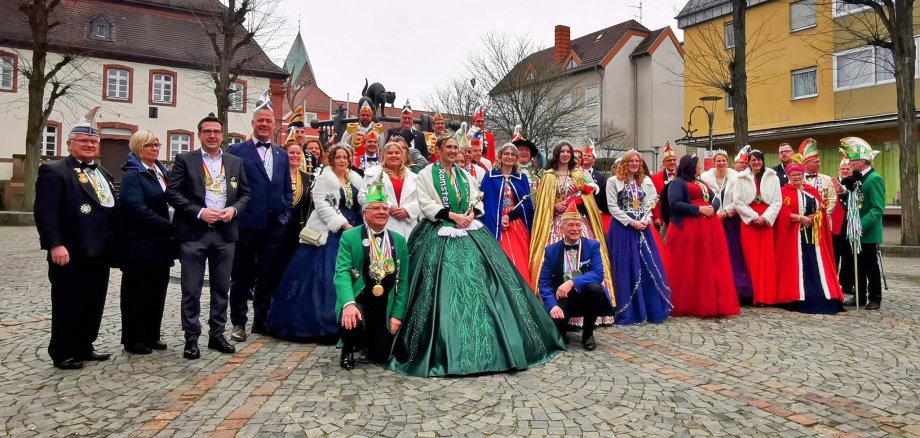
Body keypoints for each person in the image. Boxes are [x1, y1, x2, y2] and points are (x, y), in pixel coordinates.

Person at [386, 133, 564, 377]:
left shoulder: (463, 174)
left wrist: (470, 213)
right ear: (438, 149)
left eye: (454, 147)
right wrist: (452, 216)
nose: (452, 151)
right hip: (439, 230)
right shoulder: (426, 174)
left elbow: (476, 198)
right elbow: (425, 203)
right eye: (447, 147)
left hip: (468, 229)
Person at [34, 110, 118, 369]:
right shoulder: (54, 171)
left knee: (93, 301)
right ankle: (62, 351)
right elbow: (45, 212)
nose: (90, 145)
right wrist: (55, 244)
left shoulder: (103, 173)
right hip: (70, 250)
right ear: (69, 144)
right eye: (83, 141)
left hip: (99, 251)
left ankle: (84, 345)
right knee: (68, 301)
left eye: (93, 142)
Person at [167, 113, 250, 360]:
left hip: (225, 234)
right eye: (207, 132)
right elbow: (172, 192)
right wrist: (199, 212)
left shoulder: (234, 162)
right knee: (191, 289)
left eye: (216, 131)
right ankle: (191, 338)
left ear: (222, 135)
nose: (212, 136)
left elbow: (245, 194)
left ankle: (217, 334)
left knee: (221, 288)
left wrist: (233, 210)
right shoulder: (185, 160)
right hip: (195, 233)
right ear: (200, 134)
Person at [269, 143, 367, 340]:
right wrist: (341, 224)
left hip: (355, 230)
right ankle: (326, 323)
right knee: (327, 275)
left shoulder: (356, 180)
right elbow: (321, 205)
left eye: (345, 157)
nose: (342, 161)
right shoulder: (324, 179)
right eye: (338, 157)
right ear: (331, 159)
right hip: (331, 231)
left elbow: (361, 203)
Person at [227, 96, 293, 342]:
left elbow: (287, 188)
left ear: (274, 125)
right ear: (253, 123)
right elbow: (229, 187)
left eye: (269, 121)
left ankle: (261, 320)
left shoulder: (281, 154)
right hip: (246, 224)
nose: (264, 124)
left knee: (267, 275)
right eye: (260, 120)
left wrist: (285, 213)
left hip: (274, 225)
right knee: (242, 275)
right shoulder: (236, 151)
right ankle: (238, 322)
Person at [335, 184, 409, 370]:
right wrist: (348, 304)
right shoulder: (350, 237)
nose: (382, 212)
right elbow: (342, 272)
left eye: (385, 208)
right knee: (353, 320)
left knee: (381, 355)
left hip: (384, 303)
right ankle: (349, 348)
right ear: (365, 212)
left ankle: (369, 339)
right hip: (359, 297)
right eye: (376, 208)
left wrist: (397, 315)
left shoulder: (398, 241)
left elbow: (403, 280)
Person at [119, 130, 178, 355]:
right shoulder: (133, 174)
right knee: (136, 293)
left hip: (160, 244)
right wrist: (167, 225)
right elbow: (136, 208)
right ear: (137, 148)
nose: (155, 148)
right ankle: (134, 339)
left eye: (156, 144)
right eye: (149, 145)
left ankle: (152, 334)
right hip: (140, 244)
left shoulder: (161, 171)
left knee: (157, 291)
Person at [529, 141, 613, 299]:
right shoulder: (548, 176)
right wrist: (553, 205)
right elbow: (542, 203)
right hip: (556, 223)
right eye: (562, 151)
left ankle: (591, 300)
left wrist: (576, 201)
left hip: (577, 221)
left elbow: (587, 198)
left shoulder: (578, 174)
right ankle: (554, 297)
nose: (565, 154)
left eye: (568, 151)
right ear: (557, 154)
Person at [664, 155, 739, 317]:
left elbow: (715, 199)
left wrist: (712, 207)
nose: (700, 168)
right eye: (697, 165)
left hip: (707, 228)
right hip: (688, 229)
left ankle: (711, 300)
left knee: (706, 265)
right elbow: (675, 205)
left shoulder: (701, 183)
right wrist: (698, 210)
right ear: (690, 166)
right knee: (689, 265)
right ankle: (686, 302)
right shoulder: (677, 183)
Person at [605, 150, 671, 325]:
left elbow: (650, 202)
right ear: (625, 163)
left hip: (642, 227)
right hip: (622, 228)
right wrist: (631, 222)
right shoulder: (613, 182)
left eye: (637, 161)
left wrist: (646, 219)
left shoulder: (645, 181)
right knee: (626, 266)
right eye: (631, 161)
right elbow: (612, 206)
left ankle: (648, 307)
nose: (635, 164)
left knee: (647, 265)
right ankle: (629, 309)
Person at [539, 203, 615, 349]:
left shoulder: (593, 245)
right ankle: (562, 330)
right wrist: (552, 305)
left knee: (595, 289)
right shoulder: (551, 250)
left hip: (585, 295)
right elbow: (544, 282)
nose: (575, 229)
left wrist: (572, 282)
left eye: (578, 225)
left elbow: (598, 274)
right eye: (571, 225)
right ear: (561, 229)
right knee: (557, 338)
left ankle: (588, 335)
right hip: (562, 297)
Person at [775, 160, 845, 314]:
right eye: (793, 175)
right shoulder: (783, 192)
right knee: (798, 265)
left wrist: (815, 217)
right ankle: (796, 294)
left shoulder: (812, 191)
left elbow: (822, 209)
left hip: (813, 234)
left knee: (816, 264)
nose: (796, 177)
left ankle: (821, 292)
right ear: (788, 176)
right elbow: (781, 213)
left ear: (803, 175)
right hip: (794, 236)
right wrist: (800, 219)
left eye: (799, 174)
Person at [701, 148, 753, 303]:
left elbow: (738, 199)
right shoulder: (705, 178)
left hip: (730, 220)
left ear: (727, 162)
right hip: (711, 218)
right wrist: (712, 213)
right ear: (714, 162)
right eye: (718, 161)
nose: (721, 163)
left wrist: (726, 213)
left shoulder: (736, 178)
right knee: (712, 252)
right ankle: (713, 286)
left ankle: (735, 287)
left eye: (723, 160)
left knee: (732, 252)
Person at [839, 137, 885, 310]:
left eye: (853, 161)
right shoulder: (857, 178)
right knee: (856, 265)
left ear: (863, 162)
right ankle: (859, 296)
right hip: (855, 230)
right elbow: (854, 201)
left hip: (867, 231)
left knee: (870, 266)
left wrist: (860, 225)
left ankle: (875, 297)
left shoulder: (874, 178)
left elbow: (877, 208)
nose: (850, 164)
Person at [480, 142, 535, 283]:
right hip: (494, 223)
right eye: (506, 154)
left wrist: (508, 216)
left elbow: (526, 204)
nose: (509, 157)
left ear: (516, 158)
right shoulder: (489, 176)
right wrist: (497, 219)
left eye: (512, 154)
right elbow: (485, 203)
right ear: (500, 156)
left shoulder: (521, 178)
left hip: (515, 222)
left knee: (518, 257)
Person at [735, 149, 783, 306]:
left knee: (766, 258)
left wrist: (765, 218)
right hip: (749, 220)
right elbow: (738, 201)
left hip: (766, 220)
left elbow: (777, 201)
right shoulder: (741, 178)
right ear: (748, 161)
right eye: (753, 160)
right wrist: (753, 216)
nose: (756, 162)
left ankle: (766, 296)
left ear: (763, 161)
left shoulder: (773, 177)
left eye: (759, 160)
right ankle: (752, 295)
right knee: (751, 257)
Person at [361, 141, 420, 238]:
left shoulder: (414, 177)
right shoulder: (375, 175)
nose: (394, 155)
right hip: (383, 223)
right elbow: (364, 197)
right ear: (384, 156)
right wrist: (388, 207)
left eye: (397, 153)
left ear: (402, 156)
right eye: (390, 153)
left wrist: (408, 210)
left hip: (408, 227)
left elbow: (421, 200)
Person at [277, 139, 314, 272]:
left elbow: (307, 205)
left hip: (296, 226)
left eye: (298, 153)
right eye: (291, 152)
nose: (295, 156)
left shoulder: (306, 177)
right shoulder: (277, 174)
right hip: (277, 224)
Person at [799, 138, 840, 228]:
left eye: (819, 161)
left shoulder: (827, 180)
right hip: (801, 224)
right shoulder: (796, 180)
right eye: (816, 162)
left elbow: (832, 200)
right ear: (805, 164)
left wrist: (818, 216)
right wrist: (801, 217)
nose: (819, 164)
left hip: (822, 224)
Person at [834, 157, 854, 295]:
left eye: (848, 168)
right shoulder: (832, 183)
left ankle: (847, 285)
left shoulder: (855, 183)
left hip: (850, 224)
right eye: (843, 169)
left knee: (849, 257)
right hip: (835, 225)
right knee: (834, 256)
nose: (845, 171)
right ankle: (832, 284)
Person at [650, 141, 678, 230]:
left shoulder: (682, 176)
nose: (672, 162)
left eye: (674, 160)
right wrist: (656, 216)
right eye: (669, 160)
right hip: (662, 218)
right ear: (664, 163)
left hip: (679, 216)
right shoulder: (655, 178)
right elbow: (652, 198)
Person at [581, 142, 610, 220]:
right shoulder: (576, 173)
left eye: (589, 156)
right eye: (584, 155)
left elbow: (602, 196)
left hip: (594, 210)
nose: (586, 157)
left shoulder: (599, 177)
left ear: (594, 159)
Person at [512, 126, 542, 193]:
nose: (524, 152)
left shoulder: (540, 173)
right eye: (521, 149)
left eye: (527, 150)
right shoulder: (509, 170)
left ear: (531, 154)